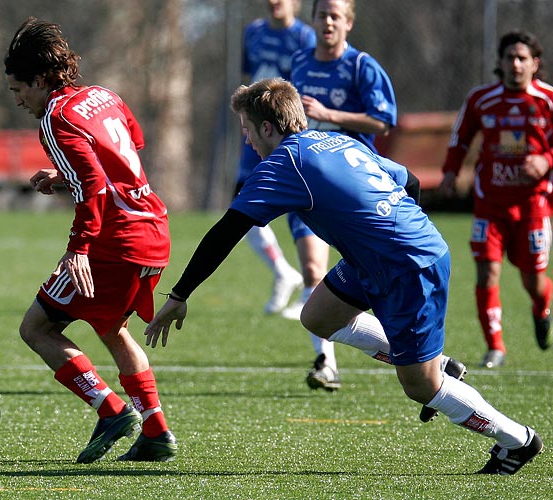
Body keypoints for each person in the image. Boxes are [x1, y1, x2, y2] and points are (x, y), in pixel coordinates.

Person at [145, 78, 543, 474]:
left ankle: (517, 440)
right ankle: (435, 359)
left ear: (268, 128)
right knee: (318, 316)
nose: (247, 141)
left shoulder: (287, 162)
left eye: (247, 130)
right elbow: (411, 181)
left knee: (420, 386)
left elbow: (226, 231)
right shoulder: (338, 141)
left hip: (408, 265)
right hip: (382, 256)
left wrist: (179, 294)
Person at [4, 18, 177, 463]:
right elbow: (129, 147)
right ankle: (156, 433)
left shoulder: (54, 118)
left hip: (114, 242)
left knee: (36, 328)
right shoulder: (103, 96)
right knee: (110, 327)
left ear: (41, 80)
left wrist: (79, 245)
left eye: (18, 89)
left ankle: (112, 411)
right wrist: (65, 175)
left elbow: (96, 185)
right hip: (153, 230)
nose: (18, 99)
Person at [285, 0, 398, 391]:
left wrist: (332, 116)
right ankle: (325, 362)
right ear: (312, 20)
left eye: (336, 16)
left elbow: (383, 121)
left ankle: (418, 357)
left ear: (348, 23)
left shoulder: (361, 67)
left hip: (354, 190)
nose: (328, 22)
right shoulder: (299, 62)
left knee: (374, 279)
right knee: (313, 271)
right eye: (322, 14)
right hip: (307, 185)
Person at [439, 30, 553, 368]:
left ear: (535, 64)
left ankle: (542, 306)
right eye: (509, 58)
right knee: (487, 272)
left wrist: (546, 159)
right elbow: (461, 137)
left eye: (522, 58)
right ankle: (495, 346)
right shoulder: (481, 99)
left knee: (533, 280)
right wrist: (450, 171)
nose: (515, 64)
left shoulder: (548, 100)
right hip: (489, 203)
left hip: (534, 206)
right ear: (500, 63)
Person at [235, 0, 316, 316]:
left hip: (287, 135)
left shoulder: (306, 38)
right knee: (241, 206)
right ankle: (283, 271)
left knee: (302, 208)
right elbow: (247, 79)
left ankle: (312, 286)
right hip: (257, 133)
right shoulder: (253, 32)